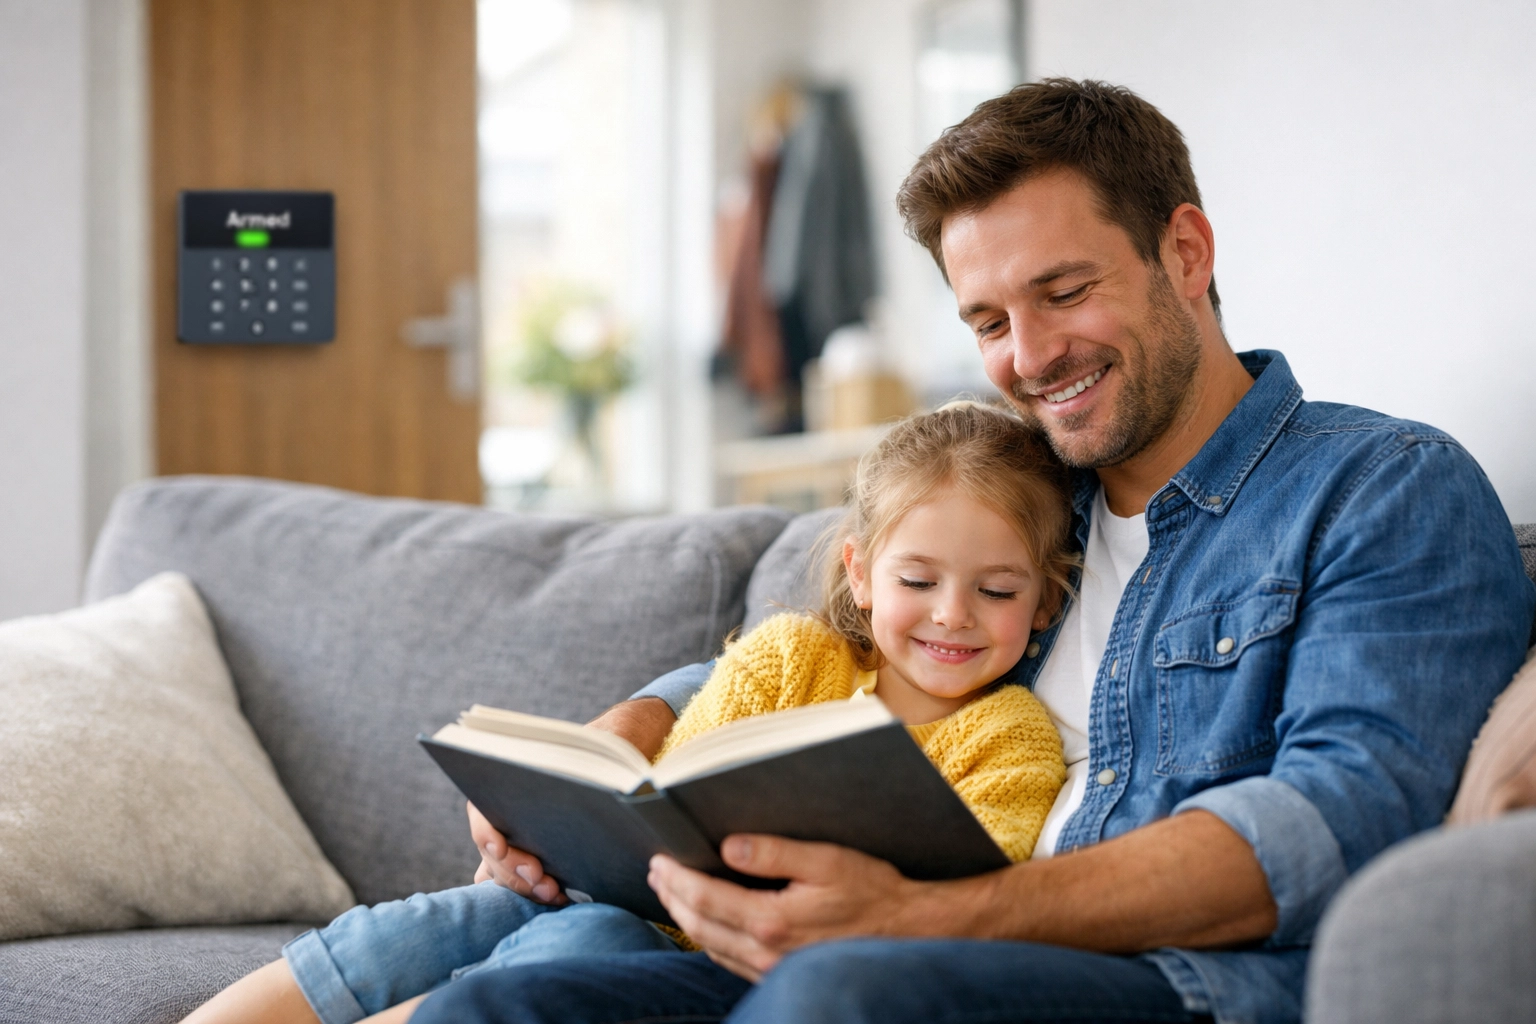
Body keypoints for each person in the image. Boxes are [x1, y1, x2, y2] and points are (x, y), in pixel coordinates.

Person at [427, 79, 1536, 1024]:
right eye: (990, 322)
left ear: (1185, 252)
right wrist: (638, 726)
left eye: (1064, 292)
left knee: (833, 997)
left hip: (1166, 983)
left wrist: (921, 915)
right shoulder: (1032, 503)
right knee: (504, 1001)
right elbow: (854, 649)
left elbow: (1340, 817)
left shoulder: (1380, 488)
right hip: (880, 947)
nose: (1031, 355)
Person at [180, 402, 1075, 1024]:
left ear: (1043, 602)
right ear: (860, 572)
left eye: (995, 590)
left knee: (583, 936)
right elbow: (682, 784)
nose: (952, 613)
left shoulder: (1012, 737)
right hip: (630, 893)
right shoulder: (791, 654)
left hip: (712, 955)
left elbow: (971, 893)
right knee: (450, 917)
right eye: (918, 581)